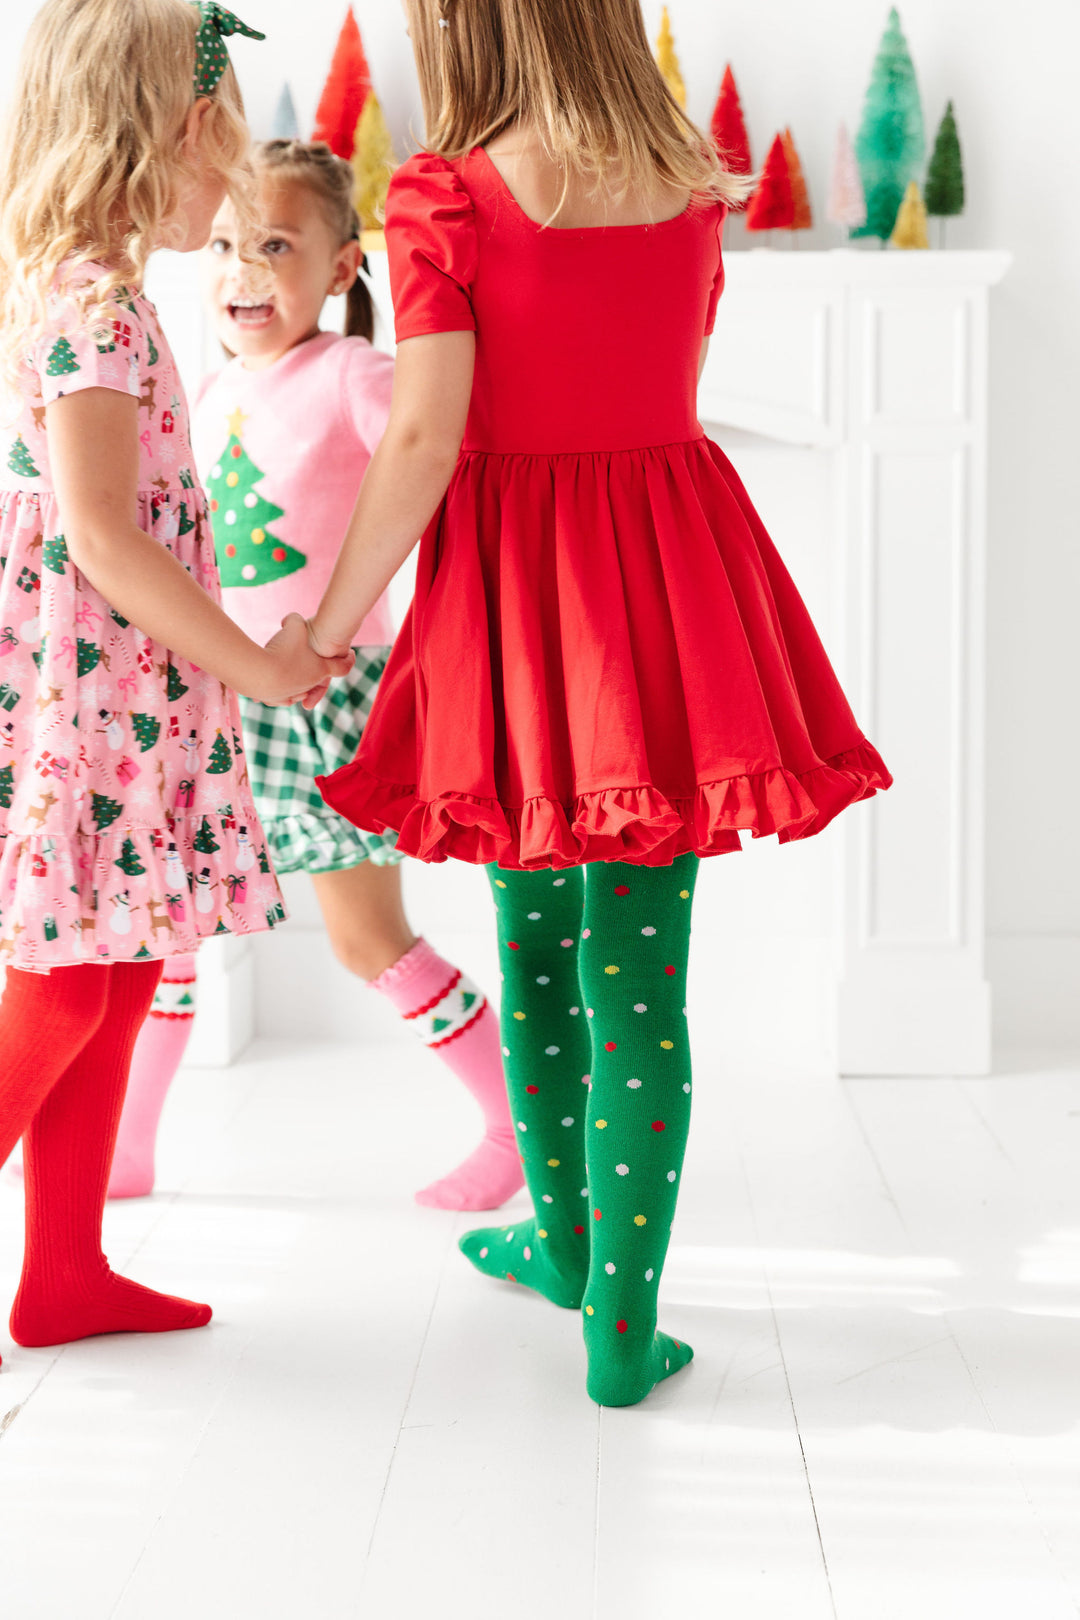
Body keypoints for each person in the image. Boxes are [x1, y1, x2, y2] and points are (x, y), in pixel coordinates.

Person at [311, 0, 892, 1406]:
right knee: (639, 975)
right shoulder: (691, 175)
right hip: (671, 578)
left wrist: (332, 622)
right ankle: (618, 1324)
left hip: (518, 594)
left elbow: (433, 434)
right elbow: (654, 380)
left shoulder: (446, 192)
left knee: (531, 937)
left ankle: (571, 1248)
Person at [0, 0, 343, 1362]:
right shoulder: (93, 307)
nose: (243, 183)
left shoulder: (101, 290)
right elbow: (100, 537)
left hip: (127, 701)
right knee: (68, 986)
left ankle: (67, 1273)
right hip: (92, 702)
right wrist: (258, 665)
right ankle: (65, 1264)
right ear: (175, 132)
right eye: (235, 147)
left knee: (133, 961)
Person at [101, 138, 522, 1211]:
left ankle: (514, 1126)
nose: (243, 271)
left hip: (323, 705)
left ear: (341, 267)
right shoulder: (199, 383)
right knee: (172, 939)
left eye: (276, 246)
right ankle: (131, 1151)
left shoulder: (356, 377)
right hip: (213, 701)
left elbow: (443, 472)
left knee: (364, 937)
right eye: (230, 245)